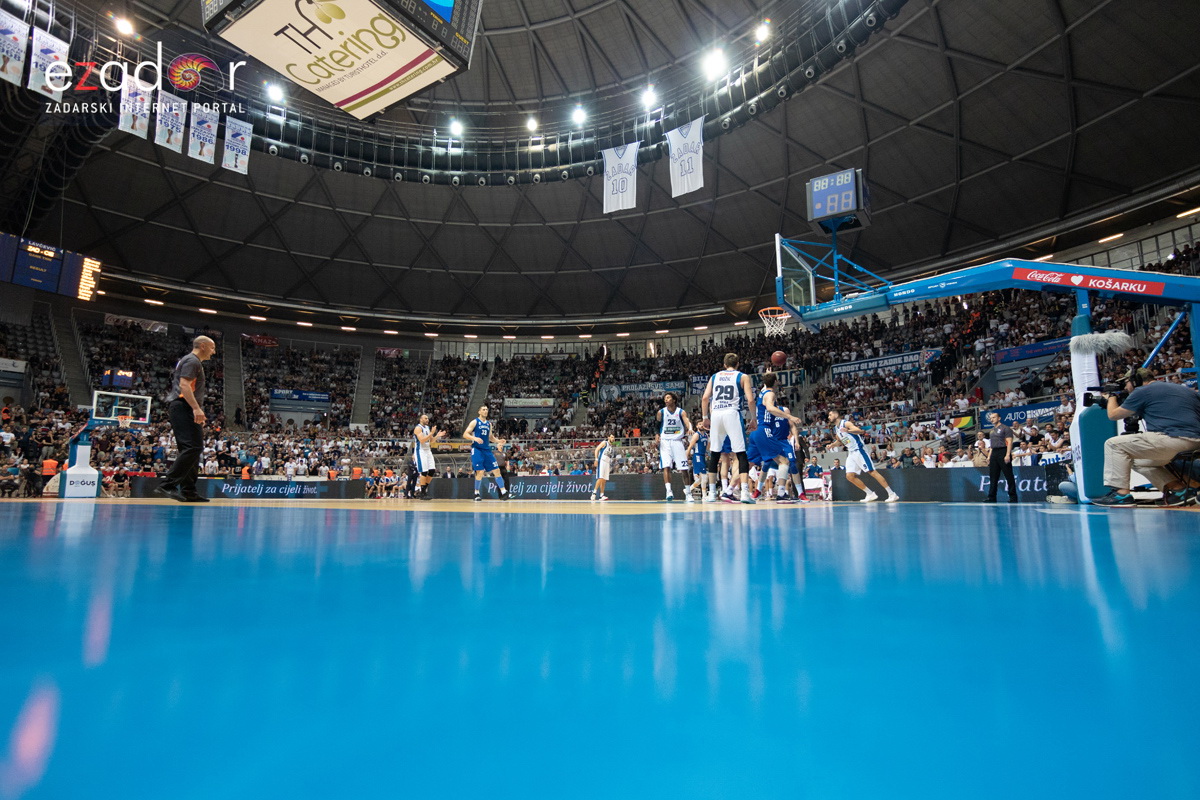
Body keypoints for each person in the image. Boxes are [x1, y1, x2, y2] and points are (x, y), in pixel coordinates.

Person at [1094, 367, 1200, 506]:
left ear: (1135, 380)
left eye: (1126, 382)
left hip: (1172, 439)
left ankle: (1121, 495)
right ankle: (1179, 491)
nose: (1126, 387)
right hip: (1195, 442)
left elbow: (1113, 415)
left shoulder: (1142, 391)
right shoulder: (1184, 389)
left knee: (1113, 444)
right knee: (1140, 462)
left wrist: (1111, 397)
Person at [156, 335, 217, 502]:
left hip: (184, 407)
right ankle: (168, 485)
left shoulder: (191, 361)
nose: (214, 352)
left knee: (192, 449)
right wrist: (196, 408)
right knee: (193, 447)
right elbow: (184, 385)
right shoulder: (193, 361)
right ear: (203, 346)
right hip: (184, 406)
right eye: (212, 348)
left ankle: (188, 490)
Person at [700, 353, 758, 504]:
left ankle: (712, 493)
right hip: (732, 413)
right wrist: (753, 418)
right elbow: (750, 399)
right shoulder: (743, 376)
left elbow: (705, 398)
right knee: (741, 454)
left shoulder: (715, 376)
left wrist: (705, 417)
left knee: (715, 454)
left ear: (724, 365)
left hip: (716, 414)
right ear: (738, 364)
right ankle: (745, 493)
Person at [748, 373, 801, 502]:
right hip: (765, 432)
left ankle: (729, 490)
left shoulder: (763, 392)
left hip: (760, 433)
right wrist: (790, 417)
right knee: (784, 462)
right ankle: (781, 494)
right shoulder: (770, 395)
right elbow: (771, 408)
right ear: (776, 381)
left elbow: (766, 387)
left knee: (746, 462)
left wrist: (767, 375)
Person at [828, 410, 899, 502]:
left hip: (859, 450)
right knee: (849, 476)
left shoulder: (846, 423)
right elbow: (841, 441)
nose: (829, 417)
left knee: (872, 472)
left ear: (836, 414)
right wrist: (832, 445)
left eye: (830, 414)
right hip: (851, 452)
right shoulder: (836, 429)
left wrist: (848, 430)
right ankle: (870, 494)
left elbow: (860, 431)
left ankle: (892, 494)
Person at [463, 405, 509, 501]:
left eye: (487, 410)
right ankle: (476, 493)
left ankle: (504, 492)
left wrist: (498, 441)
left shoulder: (489, 424)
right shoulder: (475, 422)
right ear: (479, 412)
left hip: (487, 450)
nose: (485, 411)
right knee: (480, 472)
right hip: (477, 449)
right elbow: (465, 434)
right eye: (483, 409)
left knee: (496, 470)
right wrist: (474, 438)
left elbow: (491, 437)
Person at [654, 392, 693, 501]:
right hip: (665, 442)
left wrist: (689, 428)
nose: (666, 400)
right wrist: (657, 435)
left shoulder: (681, 412)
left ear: (674, 400)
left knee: (684, 468)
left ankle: (688, 493)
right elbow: (656, 426)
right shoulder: (661, 412)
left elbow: (687, 421)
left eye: (668, 398)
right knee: (666, 466)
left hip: (677, 441)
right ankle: (669, 491)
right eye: (665, 398)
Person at [984, 412, 1019, 502]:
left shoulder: (1005, 428)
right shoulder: (991, 431)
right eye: (991, 418)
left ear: (999, 418)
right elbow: (992, 445)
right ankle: (991, 497)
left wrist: (1007, 454)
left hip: (1003, 451)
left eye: (994, 417)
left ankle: (1013, 497)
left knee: (1008, 475)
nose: (992, 419)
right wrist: (989, 457)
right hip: (994, 452)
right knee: (993, 476)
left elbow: (1009, 442)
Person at [412, 413, 446, 501]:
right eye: (425, 418)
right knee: (424, 471)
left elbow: (431, 441)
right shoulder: (418, 428)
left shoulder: (427, 427)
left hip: (428, 450)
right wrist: (431, 433)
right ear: (421, 419)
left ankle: (422, 491)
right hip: (420, 451)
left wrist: (437, 436)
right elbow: (422, 440)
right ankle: (423, 492)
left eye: (428, 418)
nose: (427, 420)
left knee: (432, 470)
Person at [590, 434, 615, 501]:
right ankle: (594, 493)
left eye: (614, 437)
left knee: (604, 479)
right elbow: (596, 449)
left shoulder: (611, 446)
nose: (613, 438)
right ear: (608, 437)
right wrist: (596, 459)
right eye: (612, 437)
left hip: (607, 462)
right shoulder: (605, 443)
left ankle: (602, 495)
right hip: (602, 461)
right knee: (600, 477)